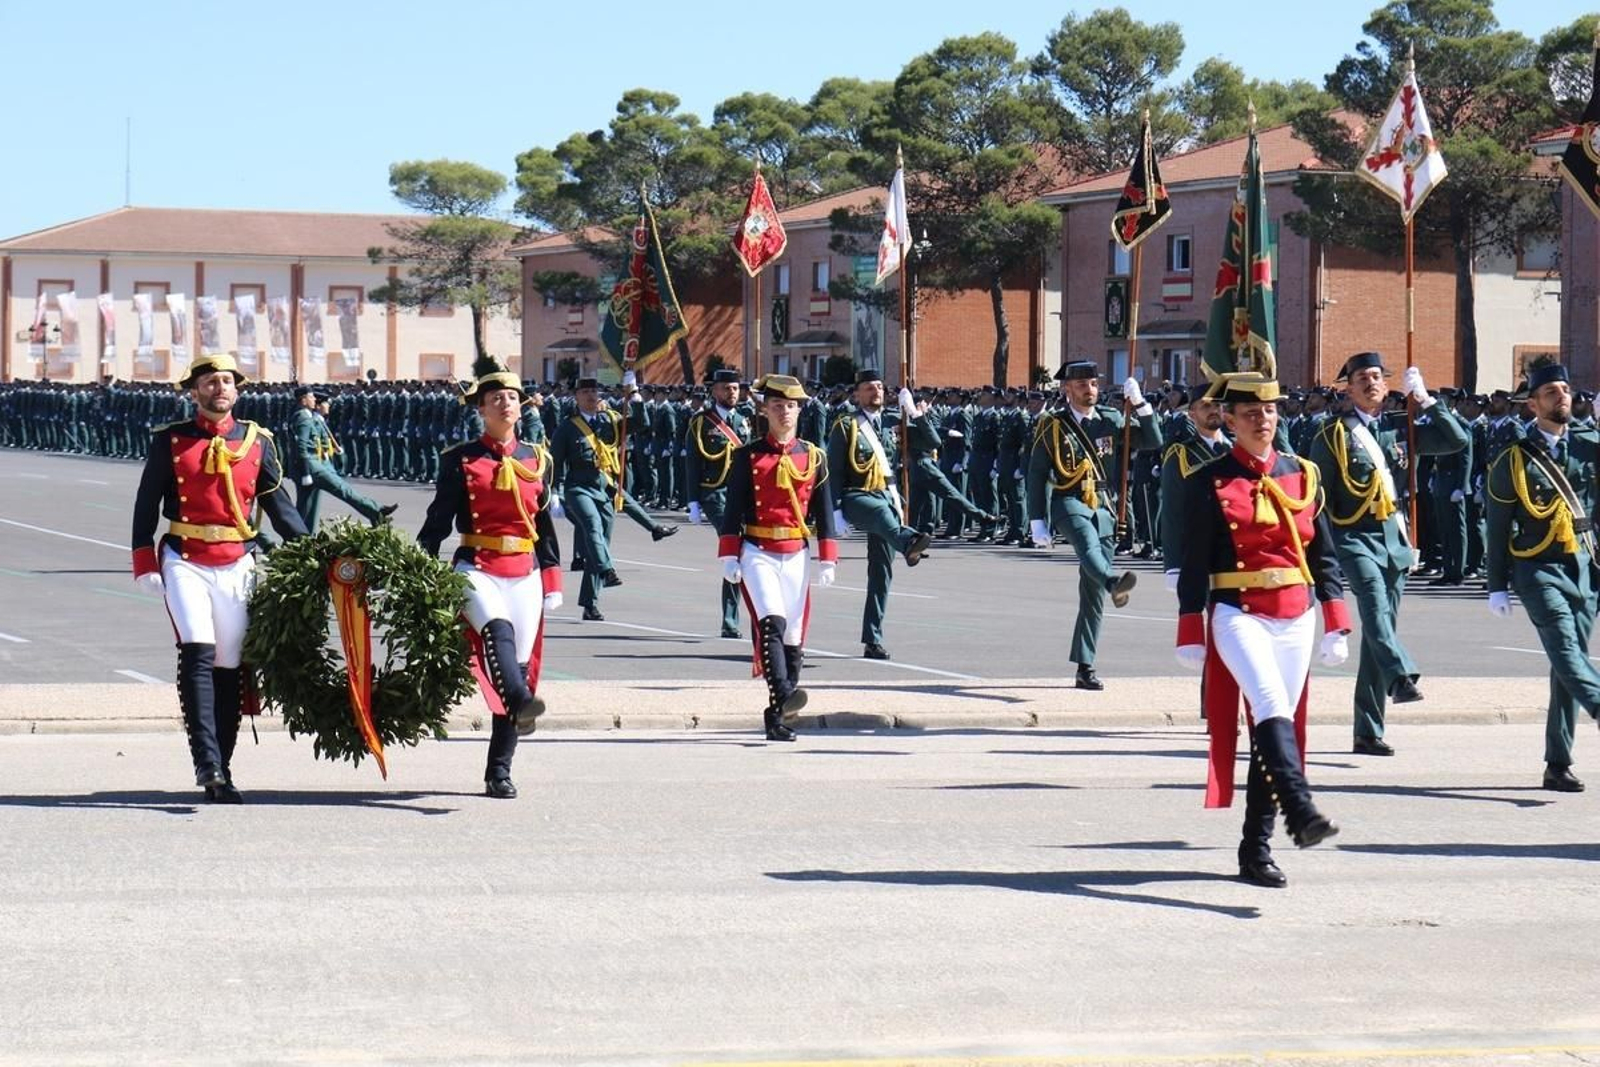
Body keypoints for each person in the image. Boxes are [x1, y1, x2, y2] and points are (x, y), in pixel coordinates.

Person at [1175, 375, 1350, 888]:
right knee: (1270, 705)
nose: (1263, 419)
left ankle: (1256, 848)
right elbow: (1194, 559)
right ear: (1229, 420)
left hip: (1296, 612)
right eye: (1250, 412)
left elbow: (1325, 555)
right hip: (1239, 611)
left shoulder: (1304, 473)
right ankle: (1300, 810)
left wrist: (1336, 620)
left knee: (1275, 731)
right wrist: (1190, 626)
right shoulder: (1209, 479)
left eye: (1270, 410)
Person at [130, 353, 308, 803]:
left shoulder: (257, 441)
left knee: (229, 665)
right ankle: (205, 760)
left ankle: (222, 770)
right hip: (184, 557)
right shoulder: (171, 440)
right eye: (210, 382)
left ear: (237, 390)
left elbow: (280, 508)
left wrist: (315, 554)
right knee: (197, 648)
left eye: (227, 381)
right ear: (194, 392)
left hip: (237, 560)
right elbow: (146, 504)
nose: (220, 388)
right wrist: (144, 561)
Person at [1308, 352, 1469, 755]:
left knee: (1380, 634)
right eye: (1362, 378)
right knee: (1375, 611)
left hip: (1394, 537)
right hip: (1353, 536)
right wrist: (1322, 552)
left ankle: (1367, 730)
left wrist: (1428, 401)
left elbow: (1457, 441)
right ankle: (1401, 676)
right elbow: (1319, 498)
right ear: (1348, 388)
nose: (1371, 383)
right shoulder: (1332, 435)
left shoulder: (1403, 428)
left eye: (1377, 377)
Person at [418, 357, 564, 799]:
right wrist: (419, 566)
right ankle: (521, 703)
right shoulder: (460, 459)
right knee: (496, 631)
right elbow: (438, 521)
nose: (505, 403)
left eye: (512, 397)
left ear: (521, 407)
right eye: (496, 398)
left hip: (524, 571)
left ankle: (499, 771)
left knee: (515, 668)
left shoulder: (538, 458)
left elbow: (543, 526)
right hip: (477, 565)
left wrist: (552, 577)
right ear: (480, 408)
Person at [1484, 363, 1600, 792]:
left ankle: (1558, 763)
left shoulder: (1589, 446)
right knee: (1566, 648)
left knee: (1568, 665)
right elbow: (1498, 526)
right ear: (1533, 405)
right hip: (1537, 568)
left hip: (1584, 566)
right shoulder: (1513, 459)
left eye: (1565, 389)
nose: (1562, 396)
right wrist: (1496, 585)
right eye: (1551, 391)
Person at [1026, 361, 1163, 690]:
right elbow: (1037, 473)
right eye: (1082, 385)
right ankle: (1113, 581)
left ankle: (1085, 666)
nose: (1090, 390)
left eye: (1093, 384)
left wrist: (1141, 405)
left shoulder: (1111, 419)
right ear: (1067, 390)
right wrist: (1037, 520)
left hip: (1104, 506)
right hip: (1068, 501)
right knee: (1087, 546)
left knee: (1091, 593)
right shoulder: (1052, 425)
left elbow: (1152, 441)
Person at [717, 375, 839, 741]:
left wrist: (828, 556)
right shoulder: (748, 455)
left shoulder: (813, 456)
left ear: (799, 410)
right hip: (758, 550)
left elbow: (824, 509)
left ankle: (777, 716)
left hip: (796, 552)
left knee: (794, 637)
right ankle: (786, 694)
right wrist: (729, 554)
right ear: (765, 411)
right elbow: (733, 508)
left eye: (790, 406)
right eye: (777, 406)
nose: (784, 412)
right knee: (771, 623)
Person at [826, 369, 931, 661]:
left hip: (887, 495)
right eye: (869, 388)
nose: (876, 392)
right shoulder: (846, 425)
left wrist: (915, 414)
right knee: (881, 514)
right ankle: (909, 542)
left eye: (880, 387)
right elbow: (834, 470)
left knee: (880, 574)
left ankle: (873, 640)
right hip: (856, 495)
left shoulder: (893, 422)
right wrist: (835, 509)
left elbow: (932, 443)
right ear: (857, 394)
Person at [550, 375, 631, 621]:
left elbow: (641, 423)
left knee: (600, 544)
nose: (591, 396)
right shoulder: (567, 427)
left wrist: (634, 394)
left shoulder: (609, 421)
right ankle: (607, 571)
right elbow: (556, 462)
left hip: (604, 489)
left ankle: (590, 604)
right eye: (585, 392)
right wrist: (554, 492)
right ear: (576, 397)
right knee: (593, 531)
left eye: (595, 392)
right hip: (579, 489)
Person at [686, 368, 752, 638]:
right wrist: (693, 501)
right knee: (733, 544)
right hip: (714, 493)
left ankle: (744, 615)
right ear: (714, 391)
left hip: (743, 495)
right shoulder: (701, 423)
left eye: (735, 388)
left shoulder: (744, 419)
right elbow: (692, 462)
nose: (732, 393)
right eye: (726, 388)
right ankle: (730, 621)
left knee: (743, 553)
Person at [288, 385, 396, 530]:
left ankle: (301, 534)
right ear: (303, 400)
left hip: (312, 464)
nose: (314, 399)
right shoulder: (303, 417)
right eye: (311, 397)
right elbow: (301, 446)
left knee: (307, 505)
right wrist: (306, 472)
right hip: (312, 466)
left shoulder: (306, 416)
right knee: (342, 489)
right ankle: (376, 511)